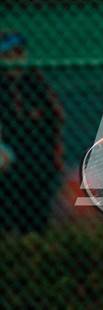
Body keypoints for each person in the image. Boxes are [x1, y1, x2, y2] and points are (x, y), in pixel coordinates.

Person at [0, 31, 64, 233]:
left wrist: (56, 155)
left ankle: (34, 244)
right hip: (10, 170)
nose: (15, 61)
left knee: (37, 221)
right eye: (8, 56)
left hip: (38, 164)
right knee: (9, 219)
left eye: (19, 53)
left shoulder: (36, 83)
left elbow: (56, 119)